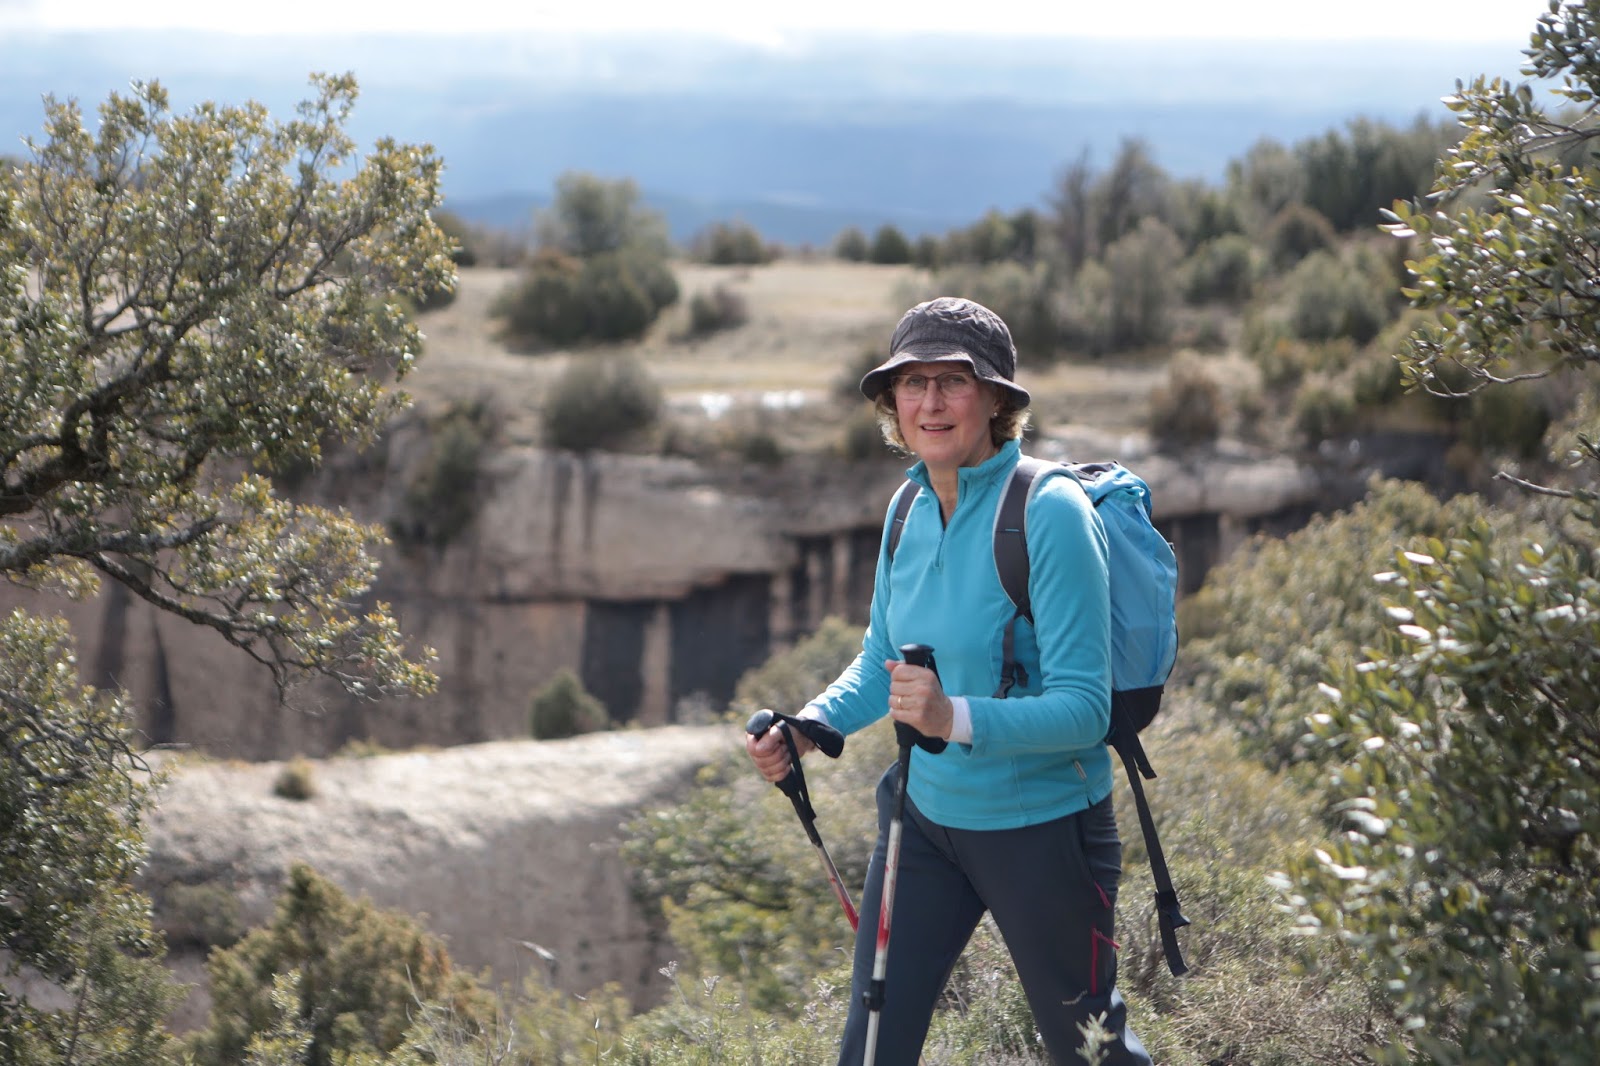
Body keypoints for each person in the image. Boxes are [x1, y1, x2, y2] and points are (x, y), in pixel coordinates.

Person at [746, 296, 1152, 1065]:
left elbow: (1085, 710)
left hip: (1044, 830)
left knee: (1092, 1054)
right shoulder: (907, 506)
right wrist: (811, 727)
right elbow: (881, 657)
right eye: (912, 383)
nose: (929, 402)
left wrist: (950, 719)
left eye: (953, 381)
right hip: (925, 823)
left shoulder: (1050, 512)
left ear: (995, 399)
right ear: (892, 403)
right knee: (871, 1048)